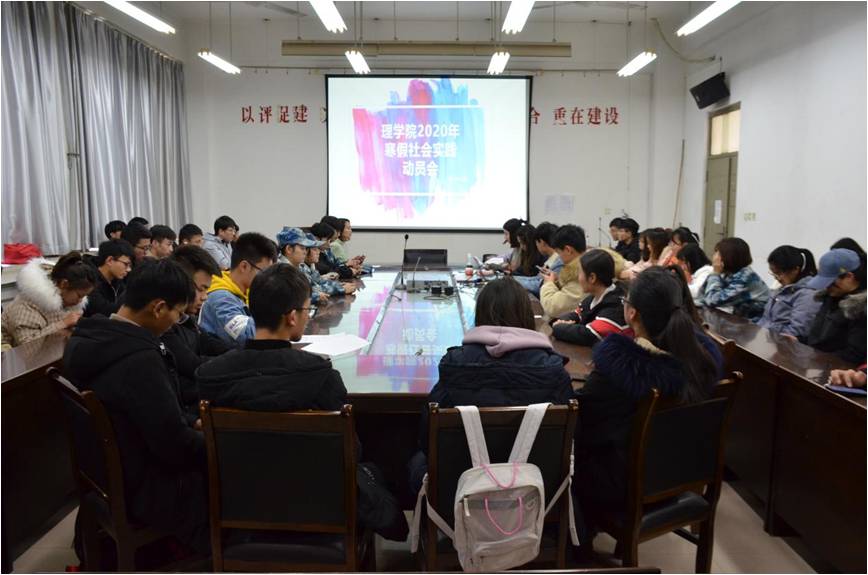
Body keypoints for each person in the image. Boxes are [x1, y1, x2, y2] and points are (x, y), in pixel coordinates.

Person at [197, 264, 407, 541]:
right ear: (292, 317)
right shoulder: (319, 375)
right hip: (320, 510)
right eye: (308, 309)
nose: (308, 316)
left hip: (241, 511)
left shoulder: (211, 375)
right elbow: (351, 450)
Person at [62, 259, 209, 554]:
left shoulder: (90, 336)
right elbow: (174, 447)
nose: (176, 322)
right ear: (158, 308)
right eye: (178, 313)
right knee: (233, 465)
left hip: (109, 477)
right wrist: (219, 442)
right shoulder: (139, 359)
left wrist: (190, 420)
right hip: (145, 489)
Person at [572, 268, 722, 545]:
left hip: (625, 482)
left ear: (632, 313)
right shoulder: (703, 362)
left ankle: (578, 540)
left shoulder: (619, 369)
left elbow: (585, 424)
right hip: (683, 471)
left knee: (566, 454)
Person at [408, 276, 574, 493]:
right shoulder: (553, 369)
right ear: (526, 315)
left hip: (461, 491)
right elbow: (571, 438)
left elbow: (427, 437)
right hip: (536, 490)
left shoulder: (455, 364)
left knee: (417, 461)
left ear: (480, 315)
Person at [162, 245, 231, 415]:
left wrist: (242, 355)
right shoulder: (163, 324)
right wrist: (237, 361)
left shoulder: (187, 318)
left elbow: (208, 342)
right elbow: (191, 364)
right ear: (181, 283)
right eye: (201, 289)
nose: (205, 297)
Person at [1, 252, 97, 347]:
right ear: (64, 284)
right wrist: (62, 324)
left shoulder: (68, 303)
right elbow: (26, 347)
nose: (80, 301)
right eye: (79, 295)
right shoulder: (26, 305)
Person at [198, 232, 276, 347]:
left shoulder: (247, 291)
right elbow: (247, 337)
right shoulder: (220, 298)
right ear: (244, 266)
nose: (268, 278)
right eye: (264, 272)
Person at [540, 225, 626, 319]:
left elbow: (553, 308)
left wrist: (548, 283)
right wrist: (557, 281)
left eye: (559, 253)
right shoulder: (599, 262)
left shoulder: (582, 274)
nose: (559, 257)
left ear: (568, 250)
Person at [551, 250, 631, 346]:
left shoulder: (616, 306)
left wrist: (558, 327)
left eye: (580, 273)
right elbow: (576, 314)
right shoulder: (594, 296)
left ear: (592, 278)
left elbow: (589, 335)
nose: (578, 278)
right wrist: (562, 322)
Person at [803, 248, 866, 364]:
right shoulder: (831, 296)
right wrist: (799, 341)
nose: (826, 287)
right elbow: (818, 339)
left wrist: (817, 358)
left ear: (849, 277)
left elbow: (854, 354)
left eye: (830, 282)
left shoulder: (861, 309)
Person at [756, 245, 821, 339]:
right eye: (773, 273)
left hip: (782, 343)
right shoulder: (784, 287)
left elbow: (797, 330)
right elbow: (765, 319)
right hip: (767, 338)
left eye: (779, 273)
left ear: (795, 270)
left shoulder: (808, 294)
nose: (777, 278)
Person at [697, 237, 770, 320]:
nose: (714, 256)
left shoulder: (745, 276)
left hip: (756, 323)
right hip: (739, 320)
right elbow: (702, 296)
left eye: (718, 253)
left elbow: (712, 300)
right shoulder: (728, 273)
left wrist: (715, 273)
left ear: (729, 256)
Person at [84, 240, 135, 318]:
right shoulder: (89, 280)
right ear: (110, 260)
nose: (129, 269)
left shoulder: (117, 280)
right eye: (126, 264)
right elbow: (105, 311)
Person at [301, 232, 356, 301]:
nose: (318, 252)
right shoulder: (298, 268)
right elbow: (310, 291)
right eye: (314, 249)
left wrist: (339, 285)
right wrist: (341, 289)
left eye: (318, 248)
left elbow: (320, 281)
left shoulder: (310, 266)